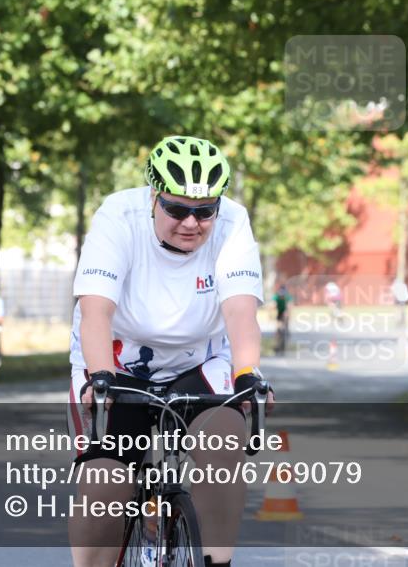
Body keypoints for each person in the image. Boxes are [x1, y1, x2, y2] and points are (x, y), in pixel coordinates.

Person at [66, 135, 273, 567]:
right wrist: (99, 378)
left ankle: (217, 561)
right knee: (104, 483)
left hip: (200, 359)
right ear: (153, 197)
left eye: (205, 211)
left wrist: (248, 373)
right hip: (117, 361)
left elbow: (240, 311)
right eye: (177, 209)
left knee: (225, 445)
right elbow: (96, 310)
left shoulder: (234, 221)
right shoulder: (118, 215)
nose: (192, 222)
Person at [272, 284, 292, 355]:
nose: (282, 296)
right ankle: (276, 345)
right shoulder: (276, 296)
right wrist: (271, 311)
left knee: (285, 328)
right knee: (278, 329)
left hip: (285, 312)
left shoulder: (288, 297)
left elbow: (289, 306)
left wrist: (287, 315)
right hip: (279, 313)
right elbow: (274, 305)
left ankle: (285, 344)